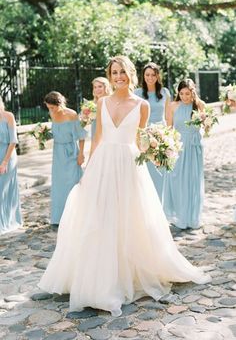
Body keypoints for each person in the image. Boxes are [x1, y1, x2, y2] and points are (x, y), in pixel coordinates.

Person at [39, 57, 211, 317]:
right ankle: (97, 275)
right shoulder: (102, 102)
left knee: (129, 218)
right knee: (99, 218)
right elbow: (97, 139)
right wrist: (87, 172)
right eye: (114, 72)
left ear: (131, 74)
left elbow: (139, 140)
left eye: (122, 72)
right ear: (110, 76)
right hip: (103, 165)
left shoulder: (141, 105)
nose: (118, 76)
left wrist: (158, 147)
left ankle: (126, 272)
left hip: (130, 167)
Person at [163, 78, 205, 229]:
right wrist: (166, 148)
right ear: (178, 93)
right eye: (181, 93)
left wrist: (206, 123)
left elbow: (207, 128)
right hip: (178, 147)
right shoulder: (173, 106)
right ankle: (179, 215)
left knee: (192, 181)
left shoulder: (200, 105)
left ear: (193, 92)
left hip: (194, 147)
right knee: (177, 180)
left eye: (187, 94)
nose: (185, 97)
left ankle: (192, 217)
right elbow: (168, 129)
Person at [44, 91, 86, 225]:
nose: (50, 110)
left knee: (73, 183)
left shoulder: (72, 114)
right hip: (58, 153)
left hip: (71, 152)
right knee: (59, 185)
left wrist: (81, 154)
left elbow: (81, 136)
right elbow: (56, 133)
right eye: (48, 107)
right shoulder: (52, 114)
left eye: (52, 107)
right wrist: (44, 135)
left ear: (60, 104)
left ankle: (76, 216)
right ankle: (59, 218)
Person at [135, 63, 170, 201]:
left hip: (160, 137)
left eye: (153, 75)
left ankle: (159, 209)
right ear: (143, 76)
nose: (150, 77)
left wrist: (169, 139)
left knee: (159, 172)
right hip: (143, 135)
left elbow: (168, 117)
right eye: (147, 74)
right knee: (143, 174)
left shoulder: (165, 92)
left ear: (158, 76)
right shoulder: (137, 93)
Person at [0, 96, 21, 234]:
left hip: (7, 155)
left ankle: (8, 220)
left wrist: (4, 162)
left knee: (4, 190)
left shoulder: (8, 116)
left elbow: (13, 141)